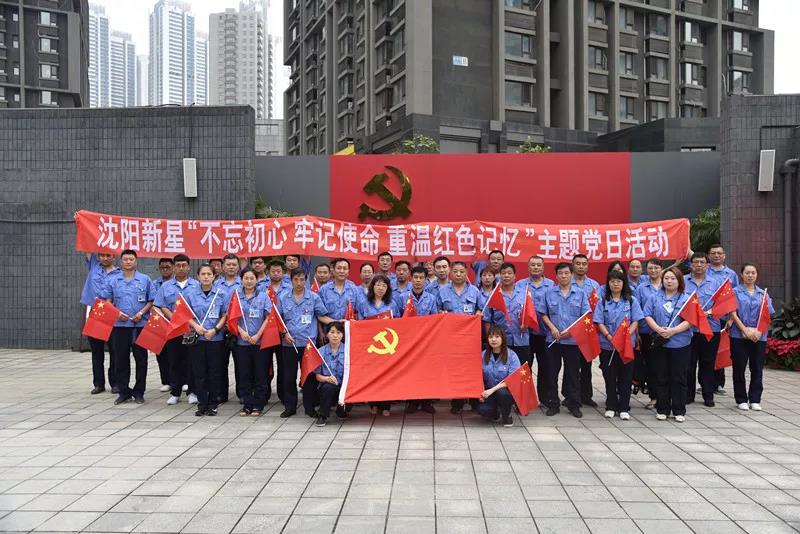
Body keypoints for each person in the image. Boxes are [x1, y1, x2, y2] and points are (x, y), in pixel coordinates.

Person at [100, 249, 155, 405]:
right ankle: (124, 392)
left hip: (140, 325)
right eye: (125, 259)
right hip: (120, 326)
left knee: (141, 359)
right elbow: (107, 301)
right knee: (120, 359)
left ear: (136, 261)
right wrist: (116, 313)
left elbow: (151, 300)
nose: (128, 262)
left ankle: (139, 392)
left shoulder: (145, 279)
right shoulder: (113, 280)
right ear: (121, 261)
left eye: (131, 259)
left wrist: (141, 313)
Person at [276, 268, 332, 418]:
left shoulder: (313, 297)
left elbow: (321, 316)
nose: (299, 283)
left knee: (308, 377)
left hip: (308, 345)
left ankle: (309, 407)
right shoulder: (283, 297)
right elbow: (278, 319)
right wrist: (284, 333)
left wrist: (337, 322)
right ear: (291, 280)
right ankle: (290, 407)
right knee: (289, 377)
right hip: (289, 344)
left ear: (306, 280)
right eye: (296, 279)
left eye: (302, 280)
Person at [643, 267, 693, 422]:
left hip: (680, 343)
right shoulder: (654, 297)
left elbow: (690, 320)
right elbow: (647, 315)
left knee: (679, 377)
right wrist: (658, 329)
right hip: (660, 344)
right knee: (661, 376)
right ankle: (662, 409)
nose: (669, 281)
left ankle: (679, 410)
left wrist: (673, 331)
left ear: (679, 281)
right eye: (666, 278)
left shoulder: (687, 298)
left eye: (673, 278)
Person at [541, 262, 590, 418]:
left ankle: (573, 403)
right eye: (560, 273)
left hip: (573, 341)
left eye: (566, 273)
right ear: (556, 276)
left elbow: (585, 315)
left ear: (571, 274)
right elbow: (543, 314)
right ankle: (553, 403)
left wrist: (572, 331)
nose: (563, 276)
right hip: (553, 340)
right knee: (552, 373)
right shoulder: (549, 293)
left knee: (573, 374)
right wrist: (552, 328)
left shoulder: (580, 293)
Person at [594, 271, 642, 420]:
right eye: (612, 281)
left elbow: (636, 320)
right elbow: (599, 322)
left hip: (626, 346)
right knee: (610, 376)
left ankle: (624, 407)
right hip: (607, 346)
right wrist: (609, 336)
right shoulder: (603, 301)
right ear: (608, 284)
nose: (615, 284)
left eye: (619, 281)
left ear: (623, 283)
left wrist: (625, 336)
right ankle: (611, 406)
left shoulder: (631, 301)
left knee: (625, 377)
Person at [154, 254, 200, 406]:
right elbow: (161, 305)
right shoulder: (165, 286)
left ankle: (192, 392)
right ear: (174, 267)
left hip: (191, 330)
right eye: (178, 265)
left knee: (192, 361)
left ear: (188, 267)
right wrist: (175, 318)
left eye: (184, 265)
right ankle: (175, 392)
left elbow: (199, 306)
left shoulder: (196, 285)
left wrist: (187, 321)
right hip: (173, 329)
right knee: (174, 361)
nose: (181, 268)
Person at [439, 261, 483, 415]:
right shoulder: (443, 291)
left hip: (470, 339)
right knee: (455, 370)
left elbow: (481, 308)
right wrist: (441, 313)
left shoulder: (474, 291)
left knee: (472, 369)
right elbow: (437, 309)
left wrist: (478, 313)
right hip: (450, 339)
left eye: (462, 272)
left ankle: (474, 401)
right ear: (451, 273)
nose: (458, 274)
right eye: (455, 271)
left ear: (466, 273)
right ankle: (457, 402)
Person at [729, 263, 773, 411]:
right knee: (739, 368)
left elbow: (767, 316)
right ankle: (741, 399)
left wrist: (759, 331)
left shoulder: (763, 294)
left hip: (759, 337)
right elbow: (732, 313)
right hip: (738, 335)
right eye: (747, 273)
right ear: (742, 275)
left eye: (753, 273)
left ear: (757, 275)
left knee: (757, 368)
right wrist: (745, 330)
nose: (750, 275)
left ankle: (755, 399)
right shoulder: (734, 292)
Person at [185, 264, 227, 416]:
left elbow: (225, 315)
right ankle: (202, 403)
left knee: (214, 372)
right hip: (198, 339)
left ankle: (213, 404)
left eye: (209, 274)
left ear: (214, 276)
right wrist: (196, 327)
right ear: (198, 276)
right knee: (199, 372)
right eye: (203, 274)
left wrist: (215, 330)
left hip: (215, 339)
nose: (206, 277)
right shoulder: (190, 294)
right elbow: (185, 314)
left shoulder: (221, 294)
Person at [516, 255, 555, 410]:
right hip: (525, 334)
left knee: (546, 367)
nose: (536, 267)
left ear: (543, 267)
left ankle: (545, 398)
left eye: (539, 265)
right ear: (528, 267)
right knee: (525, 368)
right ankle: (524, 399)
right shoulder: (520, 285)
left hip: (545, 334)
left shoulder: (551, 285)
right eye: (533, 265)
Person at [684, 253, 723, 407]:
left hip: (710, 329)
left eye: (702, 262)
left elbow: (723, 305)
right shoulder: (683, 281)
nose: (699, 265)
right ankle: (688, 395)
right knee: (689, 364)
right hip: (688, 330)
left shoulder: (716, 283)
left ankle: (708, 395)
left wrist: (711, 312)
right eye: (696, 262)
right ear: (691, 265)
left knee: (708, 363)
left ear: (707, 265)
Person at [233, 267, 273, 417]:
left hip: (260, 342)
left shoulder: (263, 296)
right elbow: (231, 318)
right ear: (241, 280)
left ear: (257, 280)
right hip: (242, 343)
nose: (249, 281)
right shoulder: (236, 296)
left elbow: (268, 318)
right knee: (244, 374)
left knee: (260, 374)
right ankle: (247, 404)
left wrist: (258, 335)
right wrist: (241, 332)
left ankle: (258, 404)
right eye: (246, 278)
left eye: (252, 278)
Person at [358, 274, 399, 416]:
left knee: (387, 376)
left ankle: (386, 405)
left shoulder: (392, 304)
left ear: (388, 288)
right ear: (372, 287)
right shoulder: (364, 303)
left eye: (384, 285)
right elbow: (359, 324)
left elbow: (398, 324)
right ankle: (373, 404)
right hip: (370, 345)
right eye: (378, 285)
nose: (380, 288)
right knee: (372, 375)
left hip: (388, 345)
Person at [403, 266, 440, 414]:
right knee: (410, 370)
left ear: (425, 280)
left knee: (426, 371)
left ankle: (426, 401)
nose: (418, 280)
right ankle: (412, 401)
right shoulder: (402, 297)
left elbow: (434, 319)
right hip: (408, 341)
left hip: (426, 341)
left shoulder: (431, 298)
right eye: (415, 277)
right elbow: (397, 319)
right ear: (411, 279)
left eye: (421, 278)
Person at [80, 252, 119, 394]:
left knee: (115, 351)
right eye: (102, 255)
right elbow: (87, 248)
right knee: (96, 351)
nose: (105, 258)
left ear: (114, 257)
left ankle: (115, 383)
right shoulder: (94, 266)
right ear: (98, 257)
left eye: (108, 255)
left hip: (112, 313)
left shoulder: (119, 274)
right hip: (96, 313)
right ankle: (98, 384)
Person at [483, 263, 531, 370]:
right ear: (499, 276)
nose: (506, 276)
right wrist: (491, 340)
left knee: (523, 372)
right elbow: (487, 320)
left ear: (514, 276)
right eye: (503, 273)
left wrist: (527, 324)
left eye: (509, 273)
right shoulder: (493, 295)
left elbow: (531, 314)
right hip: (502, 343)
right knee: (502, 372)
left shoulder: (524, 294)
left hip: (522, 340)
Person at [707, 244, 739, 395]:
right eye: (713, 253)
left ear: (724, 256)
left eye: (719, 253)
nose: (716, 256)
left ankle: (719, 383)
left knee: (720, 350)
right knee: (707, 352)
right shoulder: (704, 270)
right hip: (707, 318)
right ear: (709, 256)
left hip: (724, 318)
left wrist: (732, 318)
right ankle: (706, 382)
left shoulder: (731, 274)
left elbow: (735, 297)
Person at [571, 254, 601, 408]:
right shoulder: (567, 282)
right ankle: (571, 395)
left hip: (588, 331)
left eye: (584, 264)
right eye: (578, 263)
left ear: (587, 266)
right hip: (572, 332)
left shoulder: (594, 285)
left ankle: (586, 395)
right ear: (573, 265)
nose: (581, 266)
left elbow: (598, 307)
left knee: (586, 365)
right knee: (572, 367)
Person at [634, 259, 663, 409]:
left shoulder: (668, 284)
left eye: (656, 268)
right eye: (650, 268)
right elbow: (636, 311)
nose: (653, 271)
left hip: (667, 332)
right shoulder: (641, 288)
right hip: (647, 332)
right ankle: (654, 397)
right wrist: (637, 332)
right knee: (651, 365)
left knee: (665, 365)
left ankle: (666, 396)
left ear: (661, 269)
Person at [214, 253, 243, 404]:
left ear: (238, 267)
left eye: (234, 265)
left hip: (239, 329)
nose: (231, 267)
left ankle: (242, 393)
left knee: (241, 364)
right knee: (220, 363)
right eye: (228, 265)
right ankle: (221, 393)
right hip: (220, 329)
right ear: (223, 267)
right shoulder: (216, 284)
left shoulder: (244, 283)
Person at [477, 326, 520, 428]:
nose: (493, 340)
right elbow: (478, 376)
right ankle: (496, 413)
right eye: (491, 337)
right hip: (488, 391)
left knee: (502, 393)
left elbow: (513, 379)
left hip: (506, 391)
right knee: (482, 410)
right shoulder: (483, 355)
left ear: (503, 338)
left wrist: (492, 390)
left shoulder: (512, 356)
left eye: (497, 336)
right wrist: (480, 392)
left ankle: (507, 415)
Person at [261, 259, 291, 403]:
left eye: (279, 271)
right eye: (273, 271)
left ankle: (283, 394)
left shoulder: (290, 287)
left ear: (283, 272)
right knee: (265, 364)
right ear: (268, 272)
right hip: (266, 331)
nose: (276, 274)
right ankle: (264, 394)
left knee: (283, 365)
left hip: (283, 332)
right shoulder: (261, 288)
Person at [313, 322, 348, 427]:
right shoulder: (320, 352)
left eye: (338, 332)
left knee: (347, 390)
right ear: (326, 334)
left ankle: (341, 409)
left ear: (343, 335)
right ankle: (322, 415)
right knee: (328, 388)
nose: (335, 335)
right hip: (328, 385)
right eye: (332, 332)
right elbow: (317, 376)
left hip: (344, 385)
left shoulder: (348, 350)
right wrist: (327, 378)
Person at [151, 258, 175, 393]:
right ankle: (166, 381)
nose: (165, 270)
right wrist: (161, 316)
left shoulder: (177, 283)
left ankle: (181, 380)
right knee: (161, 353)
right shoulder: (154, 284)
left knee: (178, 353)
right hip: (159, 321)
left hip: (175, 322)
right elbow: (153, 302)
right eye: (162, 268)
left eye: (167, 267)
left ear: (173, 268)